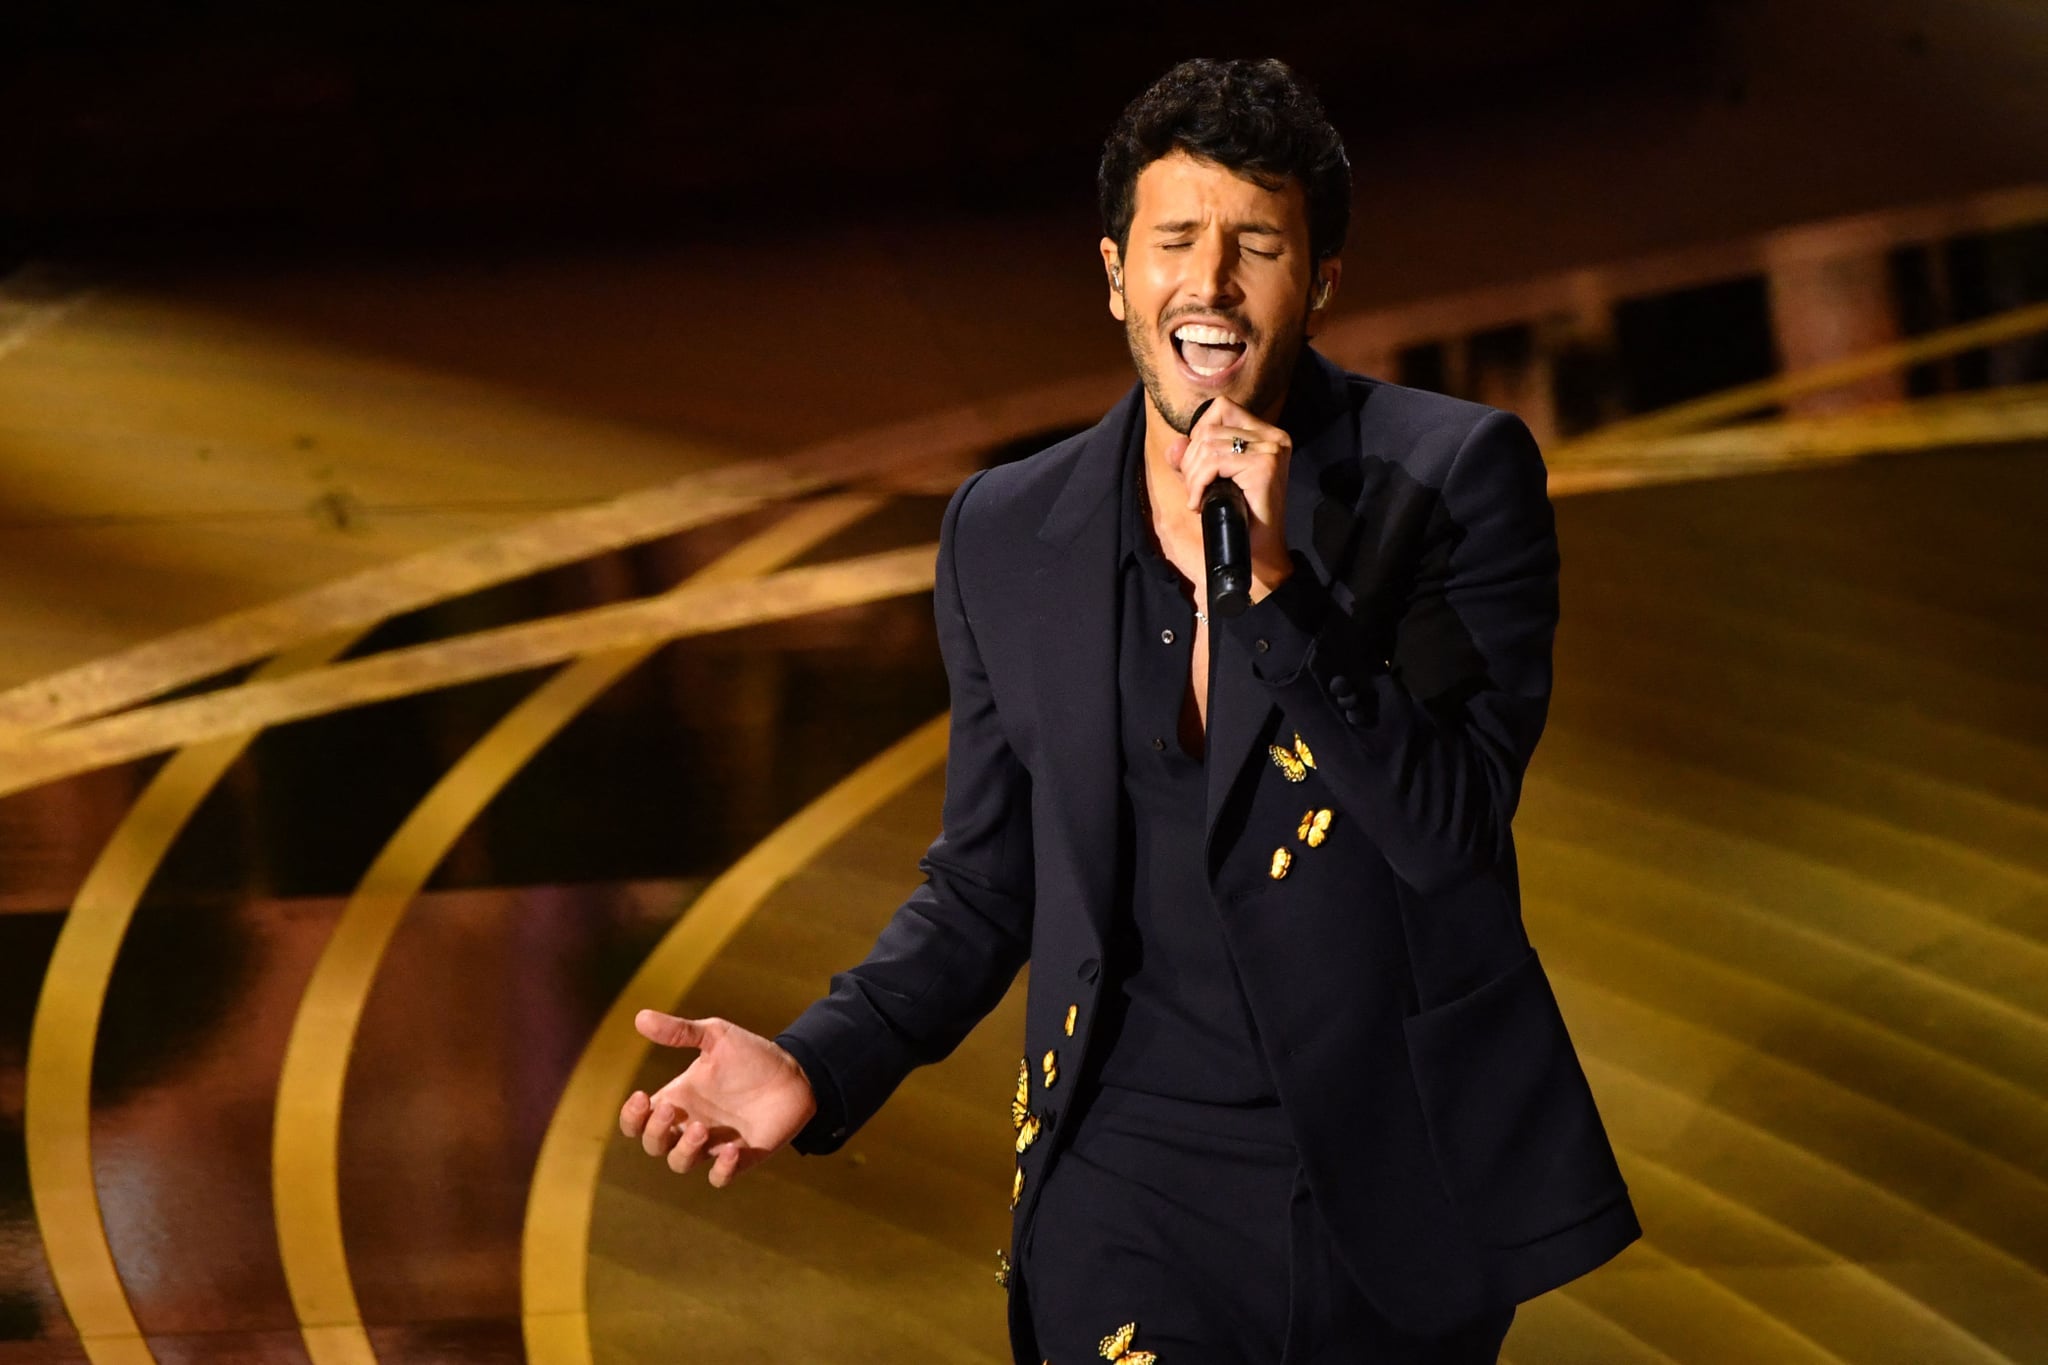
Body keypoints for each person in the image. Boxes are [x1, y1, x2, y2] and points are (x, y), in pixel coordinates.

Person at [618, 56, 1639, 1364]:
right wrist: (820, 1063)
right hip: (1127, 1175)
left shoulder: (1442, 483)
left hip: (1386, 1184)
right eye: (1174, 242)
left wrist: (1276, 584)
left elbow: (1449, 836)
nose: (1209, 283)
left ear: (1319, 283)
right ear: (1115, 273)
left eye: (1257, 246)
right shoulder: (1006, 531)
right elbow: (988, 880)